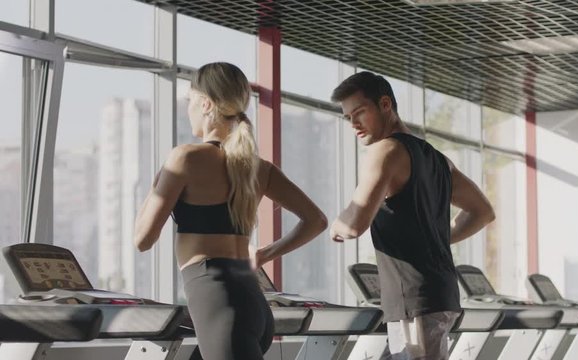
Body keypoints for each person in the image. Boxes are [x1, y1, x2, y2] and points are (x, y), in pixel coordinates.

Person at [133, 62, 328, 360]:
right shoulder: (258, 168)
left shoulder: (185, 158)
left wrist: (160, 178)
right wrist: (265, 254)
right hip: (253, 304)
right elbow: (316, 221)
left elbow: (142, 239)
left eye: (190, 102)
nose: (188, 111)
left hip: (217, 303)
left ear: (206, 103)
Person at [329, 71, 495, 360]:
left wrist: (336, 225)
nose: (354, 124)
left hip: (414, 297)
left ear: (385, 104)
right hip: (440, 293)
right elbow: (482, 212)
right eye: (348, 118)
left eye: (360, 113)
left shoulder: (385, 150)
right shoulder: (436, 158)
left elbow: (355, 224)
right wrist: (435, 235)